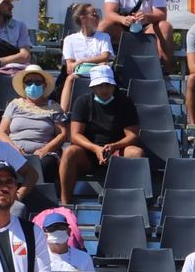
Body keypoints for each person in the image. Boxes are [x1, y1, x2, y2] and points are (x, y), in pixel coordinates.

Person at [58, 66, 142, 207]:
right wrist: (96, 149)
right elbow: (75, 135)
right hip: (88, 153)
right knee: (69, 153)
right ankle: (66, 203)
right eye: (100, 85)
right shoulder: (82, 102)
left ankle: (131, 202)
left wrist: (113, 147)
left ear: (113, 85)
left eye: (107, 85)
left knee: (136, 153)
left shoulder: (126, 103)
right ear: (93, 86)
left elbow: (132, 135)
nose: (104, 89)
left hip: (117, 151)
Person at [0, 65, 68, 193]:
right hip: (14, 150)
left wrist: (44, 150)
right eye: (29, 82)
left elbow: (62, 134)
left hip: (44, 154)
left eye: (37, 82)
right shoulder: (14, 105)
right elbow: (1, 132)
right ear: (24, 86)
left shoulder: (54, 107)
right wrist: (14, 149)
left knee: (45, 165)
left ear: (44, 85)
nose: (33, 85)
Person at [59, 3, 113, 111]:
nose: (98, 18)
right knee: (70, 78)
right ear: (83, 18)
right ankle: (62, 113)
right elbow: (70, 66)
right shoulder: (70, 39)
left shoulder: (104, 36)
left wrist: (82, 60)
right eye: (94, 15)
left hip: (99, 73)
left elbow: (105, 56)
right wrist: (94, 62)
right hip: (80, 73)